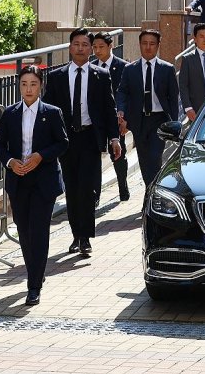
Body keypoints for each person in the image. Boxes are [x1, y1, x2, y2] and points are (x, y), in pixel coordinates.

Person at [0, 66, 69, 306]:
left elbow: (63, 142)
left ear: (41, 86)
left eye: (33, 84)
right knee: (24, 231)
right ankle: (36, 270)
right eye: (24, 84)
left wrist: (40, 156)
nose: (28, 89)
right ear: (19, 86)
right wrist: (10, 162)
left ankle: (33, 285)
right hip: (19, 180)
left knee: (38, 231)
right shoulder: (10, 113)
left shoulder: (52, 113)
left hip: (43, 181)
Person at [43, 28, 121, 256]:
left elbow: (109, 109)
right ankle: (76, 234)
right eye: (76, 44)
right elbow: (48, 110)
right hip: (66, 140)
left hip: (90, 138)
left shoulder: (100, 75)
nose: (80, 48)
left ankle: (85, 237)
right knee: (72, 189)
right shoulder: (57, 77)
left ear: (91, 49)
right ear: (69, 47)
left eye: (85, 45)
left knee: (87, 189)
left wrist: (114, 138)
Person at [116, 30, 180, 188]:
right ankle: (150, 190)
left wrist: (175, 123)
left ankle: (152, 192)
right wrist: (121, 110)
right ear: (139, 45)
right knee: (144, 160)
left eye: (152, 44)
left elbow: (174, 97)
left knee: (155, 157)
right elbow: (122, 91)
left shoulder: (167, 68)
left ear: (158, 45)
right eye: (144, 43)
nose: (148, 47)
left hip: (159, 120)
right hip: (139, 120)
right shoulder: (130, 69)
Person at [91, 32, 130, 203]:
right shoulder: (91, 67)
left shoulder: (123, 67)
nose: (97, 51)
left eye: (101, 47)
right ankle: (96, 195)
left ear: (110, 46)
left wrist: (125, 118)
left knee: (119, 154)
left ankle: (123, 186)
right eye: (95, 47)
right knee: (95, 156)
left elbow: (128, 94)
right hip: (97, 120)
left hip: (116, 118)